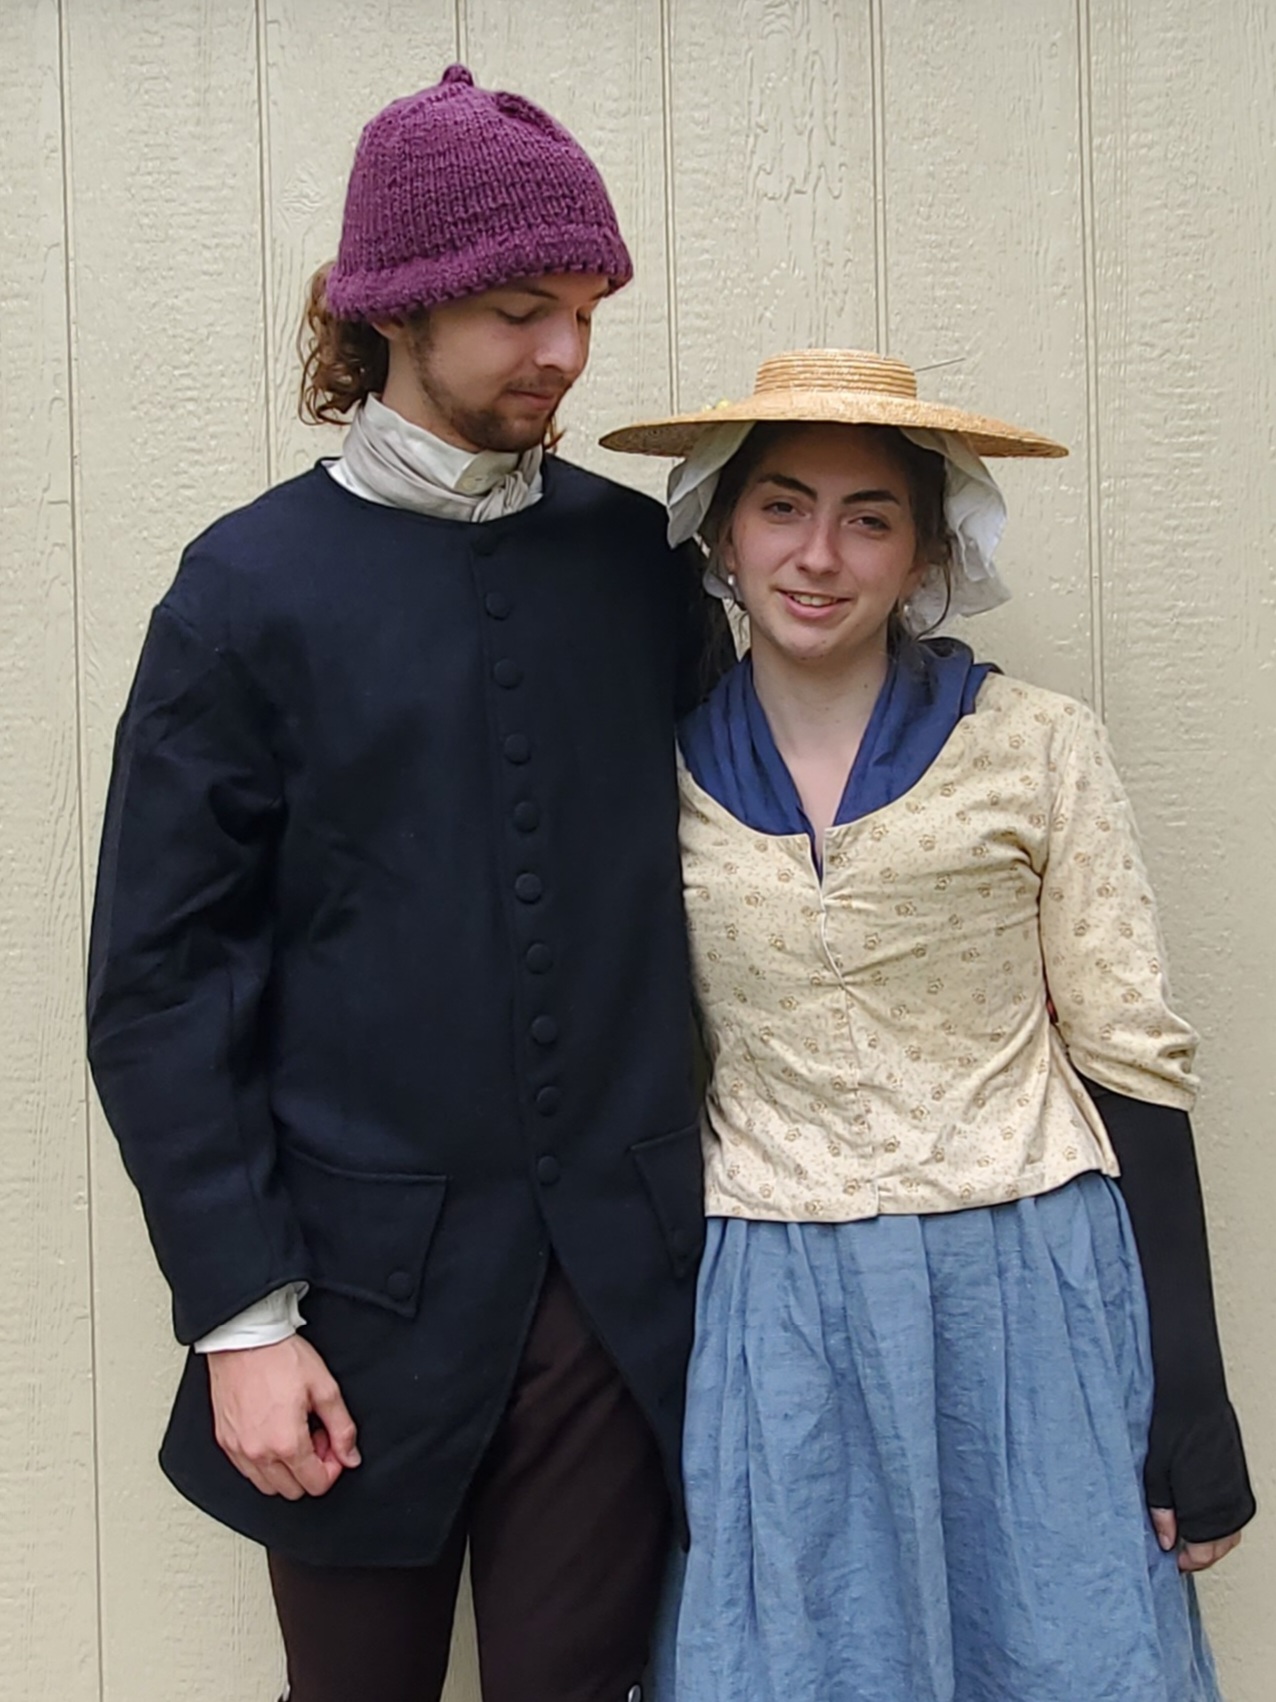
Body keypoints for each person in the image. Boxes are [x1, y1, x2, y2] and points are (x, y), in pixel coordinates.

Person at [87, 65, 725, 1702]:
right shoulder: (243, 594)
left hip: (620, 1295)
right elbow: (162, 983)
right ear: (394, 312)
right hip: (352, 1303)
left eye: (585, 311)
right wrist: (240, 1316)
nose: (568, 355)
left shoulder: (637, 566)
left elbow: (759, 846)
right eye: (525, 311)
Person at [601, 349, 1255, 1702]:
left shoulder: (1036, 745)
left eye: (871, 516)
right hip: (772, 1302)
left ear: (928, 550)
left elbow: (1134, 1059)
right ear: (722, 528)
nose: (820, 554)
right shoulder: (655, 772)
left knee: (1060, 1653)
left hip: (1026, 1285)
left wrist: (1193, 1393)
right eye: (783, 506)